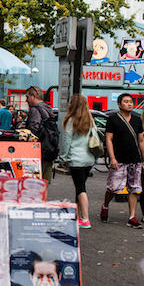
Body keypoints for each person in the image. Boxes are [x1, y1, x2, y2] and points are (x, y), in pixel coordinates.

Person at [100, 93, 144, 228]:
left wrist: (143, 158)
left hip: (135, 159)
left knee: (134, 189)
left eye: (131, 101)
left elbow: (141, 140)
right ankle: (105, 206)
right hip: (119, 159)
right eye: (126, 101)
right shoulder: (113, 119)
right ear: (119, 104)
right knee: (112, 188)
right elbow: (109, 139)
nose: (129, 104)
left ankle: (131, 217)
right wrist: (112, 158)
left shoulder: (137, 120)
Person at [60, 94, 96, 229]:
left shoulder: (71, 121)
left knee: (81, 189)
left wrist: (63, 157)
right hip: (88, 159)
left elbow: (66, 141)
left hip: (76, 159)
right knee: (80, 187)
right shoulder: (90, 120)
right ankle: (78, 215)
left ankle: (86, 219)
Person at [25, 86, 56, 184]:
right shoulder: (48, 109)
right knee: (44, 184)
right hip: (50, 149)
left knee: (36, 184)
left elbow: (33, 130)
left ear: (33, 96)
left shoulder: (35, 110)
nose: (26, 100)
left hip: (39, 151)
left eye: (27, 97)